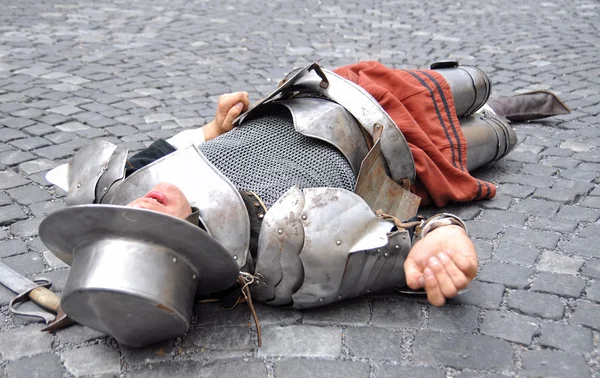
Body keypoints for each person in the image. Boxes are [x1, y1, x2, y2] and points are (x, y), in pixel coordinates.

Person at [42, 60, 570, 346]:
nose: (141, 205)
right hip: (396, 150)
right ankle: (515, 111)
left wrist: (212, 129)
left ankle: (493, 96)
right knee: (496, 132)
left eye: (126, 213)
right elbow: (396, 246)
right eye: (151, 227)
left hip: (335, 90)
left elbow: (154, 156)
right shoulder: (276, 252)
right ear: (182, 256)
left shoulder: (130, 183)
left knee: (470, 79)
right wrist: (441, 234)